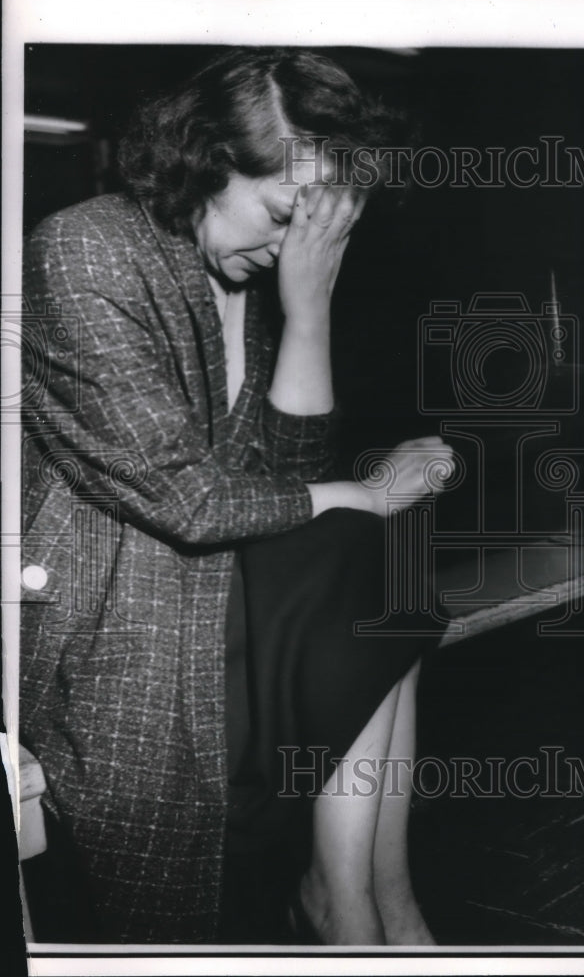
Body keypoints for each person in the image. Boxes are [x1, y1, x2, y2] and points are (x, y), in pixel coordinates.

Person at [20, 47, 452, 945]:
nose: (292, 244)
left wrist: (309, 308)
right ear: (211, 161)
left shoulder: (241, 272)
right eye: (285, 217)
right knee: (365, 543)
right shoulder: (86, 246)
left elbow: (287, 467)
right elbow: (191, 502)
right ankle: (360, 908)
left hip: (223, 594)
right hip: (123, 612)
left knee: (383, 561)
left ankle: (370, 898)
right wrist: (367, 493)